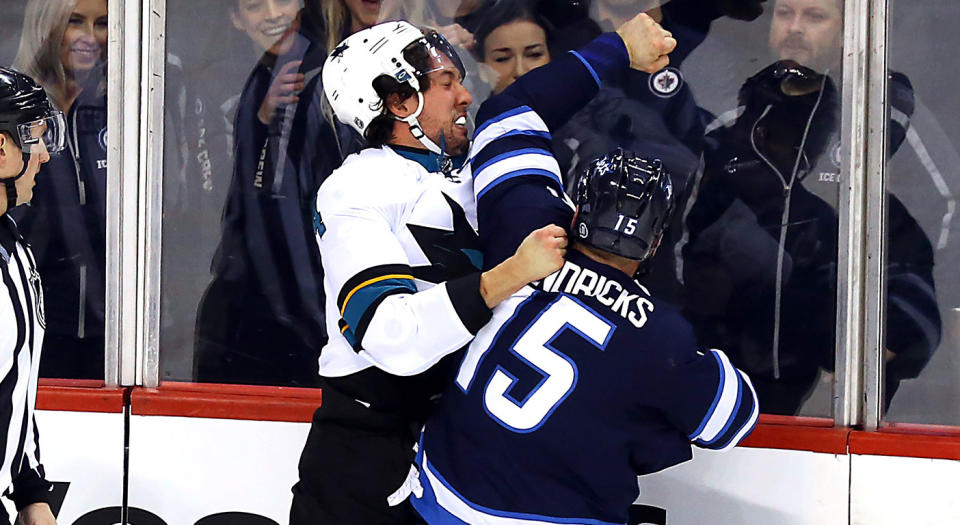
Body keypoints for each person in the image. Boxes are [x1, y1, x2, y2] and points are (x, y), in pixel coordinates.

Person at [292, 12, 676, 525]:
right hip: (367, 452)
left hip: (456, 446)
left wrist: (619, 49)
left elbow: (519, 107)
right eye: (447, 84)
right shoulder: (355, 190)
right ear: (400, 101)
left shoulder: (471, 170)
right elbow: (390, 335)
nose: (464, 97)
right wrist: (511, 274)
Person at [408, 149, 758, 524]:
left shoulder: (524, 246)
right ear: (656, 243)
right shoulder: (659, 336)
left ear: (577, 214)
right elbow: (732, 420)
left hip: (433, 496)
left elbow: (506, 128)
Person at [681, 0, 943, 414]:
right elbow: (682, 238)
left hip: (840, 379)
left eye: (814, 17)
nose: (794, 28)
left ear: (846, 32)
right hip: (728, 368)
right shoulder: (731, 121)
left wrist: (895, 332)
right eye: (785, 14)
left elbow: (941, 210)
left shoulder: (880, 113)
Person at [10, 0, 109, 380]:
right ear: (45, 26)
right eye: (74, 22)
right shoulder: (13, 111)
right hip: (28, 324)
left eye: (101, 23)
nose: (90, 37)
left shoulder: (127, 106)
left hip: (115, 335)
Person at [0, 66, 67, 525]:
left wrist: (30, 491)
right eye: (33, 138)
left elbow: (13, 385)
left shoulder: (13, 243)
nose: (43, 155)